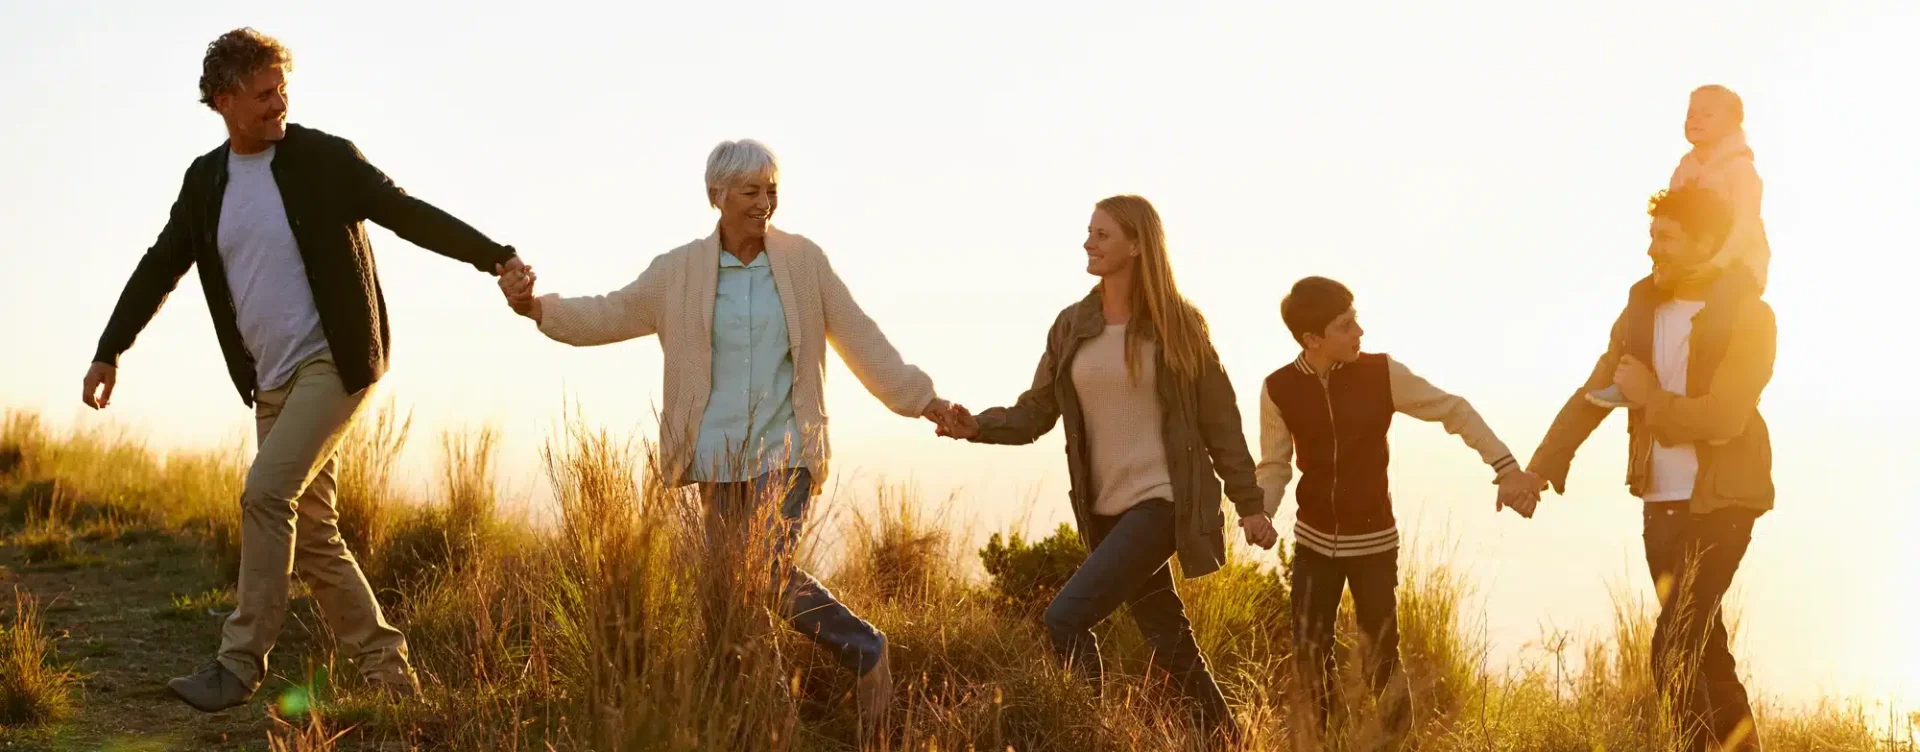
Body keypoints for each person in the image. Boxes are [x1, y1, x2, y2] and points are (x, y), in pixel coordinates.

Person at [81, 28, 525, 712]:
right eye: (263, 94)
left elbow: (406, 213)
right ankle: (391, 676)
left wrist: (494, 256)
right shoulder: (206, 182)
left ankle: (238, 664)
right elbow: (160, 265)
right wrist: (111, 348)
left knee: (265, 495)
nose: (278, 102)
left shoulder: (324, 159)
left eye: (282, 88)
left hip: (336, 363)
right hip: (273, 381)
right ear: (225, 100)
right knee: (314, 539)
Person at [496, 139, 951, 740]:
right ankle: (769, 718)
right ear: (717, 196)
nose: (766, 202)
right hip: (714, 456)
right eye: (751, 191)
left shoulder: (803, 263)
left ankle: (866, 651)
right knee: (731, 599)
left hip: (786, 449)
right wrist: (533, 307)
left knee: (762, 573)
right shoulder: (678, 272)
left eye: (772, 189)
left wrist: (924, 401)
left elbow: (860, 337)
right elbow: (608, 313)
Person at [933, 195, 1265, 744]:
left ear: (1137, 245)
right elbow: (1037, 411)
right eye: (1089, 232)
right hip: (1105, 510)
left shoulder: (1179, 325)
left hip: (1161, 503)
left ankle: (1087, 735)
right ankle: (1230, 740)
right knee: (1169, 638)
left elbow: (1221, 422)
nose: (1089, 242)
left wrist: (1249, 505)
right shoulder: (1072, 325)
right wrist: (978, 427)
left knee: (1063, 619)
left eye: (1103, 234)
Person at [1527, 186, 1775, 751]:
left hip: (1724, 503)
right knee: (1706, 649)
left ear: (1707, 243)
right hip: (1660, 502)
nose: (1651, 251)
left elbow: (1724, 418)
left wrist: (1650, 395)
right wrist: (1541, 466)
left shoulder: (1749, 316)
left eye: (1665, 239)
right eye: (1651, 237)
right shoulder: (1643, 311)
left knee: (1674, 649)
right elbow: (1595, 393)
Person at [1256, 276, 1543, 741]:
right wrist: (1262, 512)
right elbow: (1273, 465)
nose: (1359, 332)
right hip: (1312, 543)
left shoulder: (1380, 374)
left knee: (1381, 657)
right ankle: (1322, 743)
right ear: (1313, 340)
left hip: (1373, 542)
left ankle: (1399, 744)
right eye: (1346, 326)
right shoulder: (1278, 389)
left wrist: (1506, 467)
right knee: (1310, 656)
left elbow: (1454, 410)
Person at [1589, 84, 1770, 409]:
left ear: (1733, 122)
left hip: (1737, 266)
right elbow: (1673, 215)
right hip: (1694, 262)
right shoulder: (1686, 167)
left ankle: (1706, 394)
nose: (1694, 120)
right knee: (1642, 294)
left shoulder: (1741, 170)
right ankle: (1631, 381)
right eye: (1690, 113)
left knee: (1718, 315)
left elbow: (1744, 226)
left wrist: (1716, 264)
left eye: (1706, 114)